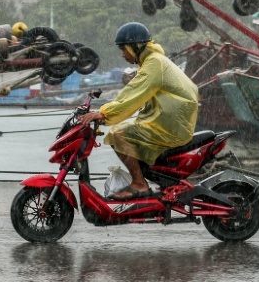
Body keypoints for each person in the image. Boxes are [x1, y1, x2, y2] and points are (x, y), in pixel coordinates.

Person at [79, 22, 199, 199]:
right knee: (129, 131)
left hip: (171, 127)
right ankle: (145, 179)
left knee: (118, 134)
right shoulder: (154, 62)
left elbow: (133, 94)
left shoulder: (154, 64)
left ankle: (139, 184)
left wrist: (104, 113)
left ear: (135, 47)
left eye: (124, 49)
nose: (123, 54)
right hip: (170, 123)